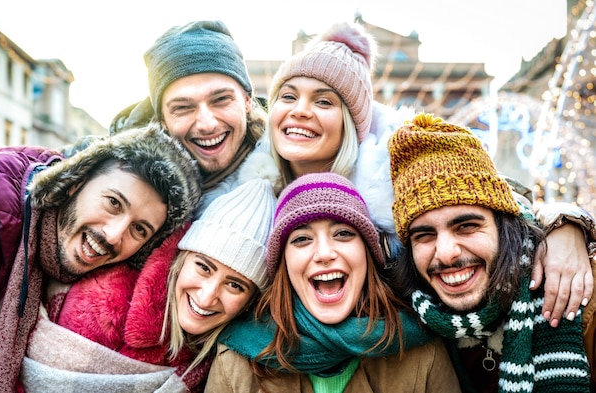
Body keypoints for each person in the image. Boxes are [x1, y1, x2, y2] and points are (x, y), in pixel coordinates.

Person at [252, 20, 595, 328]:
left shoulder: (399, 177)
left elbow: (504, 204)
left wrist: (565, 225)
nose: (300, 111)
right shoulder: (248, 191)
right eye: (287, 96)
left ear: (353, 121)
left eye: (324, 102)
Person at [0, 125, 202, 392]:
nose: (114, 235)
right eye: (114, 203)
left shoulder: (48, 249)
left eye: (139, 229)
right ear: (77, 181)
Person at [19, 168, 278, 392]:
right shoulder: (107, 298)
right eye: (203, 267)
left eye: (235, 285)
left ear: (250, 301)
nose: (207, 295)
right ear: (180, 260)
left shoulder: (233, 356)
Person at [388, 113, 592, 392]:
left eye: (466, 226)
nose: (446, 253)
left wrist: (570, 222)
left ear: (504, 227)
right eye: (424, 235)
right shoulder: (404, 322)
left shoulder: (577, 291)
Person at [205, 172, 460, 392]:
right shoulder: (236, 359)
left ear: (368, 254)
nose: (325, 253)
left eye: (343, 234)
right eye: (302, 239)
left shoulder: (420, 350)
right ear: (283, 264)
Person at [106, 20, 268, 214]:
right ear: (162, 121)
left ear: (247, 100)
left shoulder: (291, 172)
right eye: (183, 107)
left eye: (221, 99)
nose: (207, 124)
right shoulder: (119, 176)